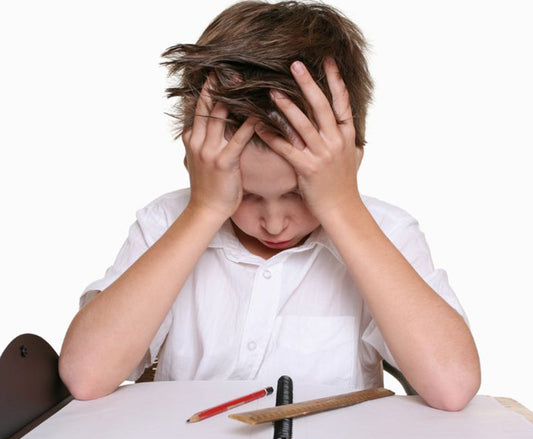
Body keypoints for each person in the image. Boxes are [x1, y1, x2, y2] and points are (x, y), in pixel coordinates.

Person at [59, 0, 480, 410]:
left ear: (351, 160)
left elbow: (453, 386)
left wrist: (341, 207)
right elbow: (86, 375)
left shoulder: (387, 231)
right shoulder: (167, 222)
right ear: (198, 162)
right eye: (244, 194)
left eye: (300, 194)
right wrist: (205, 209)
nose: (275, 223)